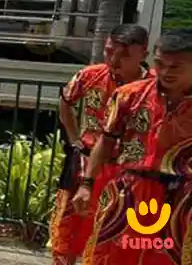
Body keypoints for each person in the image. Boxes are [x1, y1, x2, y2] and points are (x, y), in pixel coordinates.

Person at [79, 29, 192, 265]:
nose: (165, 72)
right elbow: (106, 140)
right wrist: (86, 184)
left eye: (176, 67)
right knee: (110, 256)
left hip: (180, 198)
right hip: (128, 191)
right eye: (160, 64)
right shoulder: (130, 95)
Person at [48, 24, 150, 265]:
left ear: (143, 55)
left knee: (115, 236)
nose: (114, 60)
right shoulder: (90, 75)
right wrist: (74, 139)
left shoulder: (153, 87)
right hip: (86, 163)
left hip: (125, 173)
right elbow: (65, 102)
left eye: (124, 55)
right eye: (109, 51)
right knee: (71, 229)